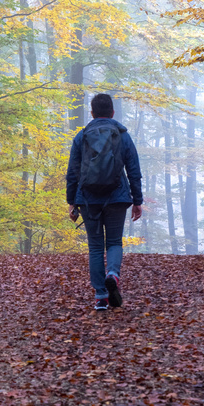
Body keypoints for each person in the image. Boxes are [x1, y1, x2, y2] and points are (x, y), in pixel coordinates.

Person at [66, 93, 143, 310]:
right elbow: (134, 170)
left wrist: (71, 201)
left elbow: (73, 172)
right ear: (112, 112)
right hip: (117, 197)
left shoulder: (82, 136)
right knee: (115, 242)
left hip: (88, 199)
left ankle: (101, 296)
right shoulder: (122, 135)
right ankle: (113, 274)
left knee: (96, 247)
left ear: (91, 113)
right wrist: (137, 200)